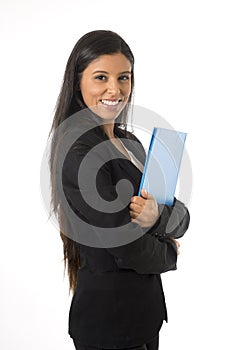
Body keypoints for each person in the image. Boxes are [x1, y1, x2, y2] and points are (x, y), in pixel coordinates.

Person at [49, 30, 190, 350]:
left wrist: (157, 216)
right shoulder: (78, 152)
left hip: (144, 315)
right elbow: (125, 247)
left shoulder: (131, 142)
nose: (115, 89)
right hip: (109, 325)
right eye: (101, 77)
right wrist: (170, 251)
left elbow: (177, 211)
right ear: (77, 82)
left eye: (123, 77)